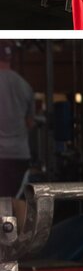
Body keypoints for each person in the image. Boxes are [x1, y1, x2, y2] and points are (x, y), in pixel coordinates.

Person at [0, 41, 35, 200]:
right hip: (19, 155)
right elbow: (30, 123)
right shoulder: (25, 85)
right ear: (10, 58)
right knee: (14, 202)